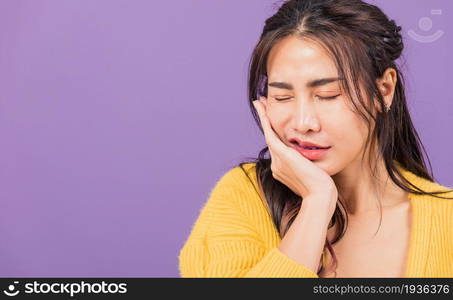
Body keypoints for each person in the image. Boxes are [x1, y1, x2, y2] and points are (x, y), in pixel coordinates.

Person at [178, 0, 453, 278]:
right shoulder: (243, 197)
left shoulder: (447, 219)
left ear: (383, 89)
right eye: (282, 97)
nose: (302, 123)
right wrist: (317, 203)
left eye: (328, 95)